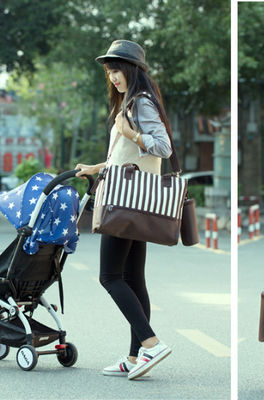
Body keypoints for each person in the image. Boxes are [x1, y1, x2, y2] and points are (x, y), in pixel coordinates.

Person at [75, 39, 173, 380]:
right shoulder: (131, 103)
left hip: (126, 203)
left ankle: (151, 343)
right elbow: (126, 158)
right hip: (137, 202)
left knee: (109, 276)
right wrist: (97, 167)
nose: (113, 77)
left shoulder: (140, 103)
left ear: (132, 70)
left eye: (117, 70)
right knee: (132, 278)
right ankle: (135, 358)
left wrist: (129, 131)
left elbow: (162, 146)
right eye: (109, 71)